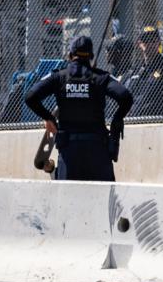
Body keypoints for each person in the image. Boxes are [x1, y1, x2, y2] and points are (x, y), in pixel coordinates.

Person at [24, 34, 133, 181]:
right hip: (98, 153)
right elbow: (126, 97)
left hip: (69, 154)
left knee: (68, 202)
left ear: (70, 55)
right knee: (102, 201)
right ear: (91, 56)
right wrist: (116, 120)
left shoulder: (59, 77)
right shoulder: (100, 77)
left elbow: (30, 97)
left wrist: (48, 118)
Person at [125, 27, 163, 116]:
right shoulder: (135, 71)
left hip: (161, 123)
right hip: (136, 124)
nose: (150, 44)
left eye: (153, 40)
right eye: (146, 41)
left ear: (159, 43)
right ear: (140, 43)